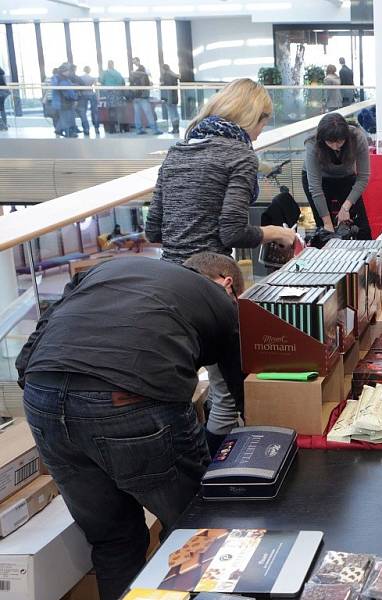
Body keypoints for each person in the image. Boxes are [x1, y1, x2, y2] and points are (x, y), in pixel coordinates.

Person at [16, 253, 245, 600]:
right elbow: (237, 387)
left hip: (42, 395)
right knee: (197, 527)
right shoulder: (222, 303)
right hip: (130, 399)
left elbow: (31, 348)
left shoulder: (108, 269)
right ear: (227, 282)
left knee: (114, 540)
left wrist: (57, 396)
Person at [146, 79, 294, 444]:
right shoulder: (240, 155)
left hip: (167, 285)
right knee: (228, 389)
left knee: (181, 386)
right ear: (250, 117)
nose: (260, 135)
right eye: (262, 124)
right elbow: (230, 232)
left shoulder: (178, 151)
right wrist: (275, 233)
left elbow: (153, 230)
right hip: (207, 286)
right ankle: (219, 470)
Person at [302, 112, 372, 238]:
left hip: (345, 177)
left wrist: (345, 207)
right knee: (324, 230)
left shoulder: (357, 138)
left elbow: (363, 178)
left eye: (339, 142)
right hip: (319, 180)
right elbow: (315, 188)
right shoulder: (312, 142)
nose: (335, 147)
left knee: (362, 227)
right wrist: (327, 223)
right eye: (330, 142)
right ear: (322, 139)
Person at [130, 64, 161, 134]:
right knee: (149, 113)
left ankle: (139, 129)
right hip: (143, 97)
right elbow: (147, 86)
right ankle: (154, 129)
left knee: (137, 114)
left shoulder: (133, 76)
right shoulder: (144, 76)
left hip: (135, 98)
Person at [99, 60, 126, 133]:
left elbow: (101, 81)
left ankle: (112, 129)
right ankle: (121, 128)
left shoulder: (105, 73)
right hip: (118, 93)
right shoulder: (118, 73)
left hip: (110, 93)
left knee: (111, 111)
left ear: (108, 65)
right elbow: (122, 82)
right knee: (119, 111)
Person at [52, 63, 78, 138]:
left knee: (64, 117)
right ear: (64, 71)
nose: (69, 72)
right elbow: (68, 91)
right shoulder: (63, 80)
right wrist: (74, 98)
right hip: (64, 101)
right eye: (67, 71)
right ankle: (68, 133)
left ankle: (59, 130)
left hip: (60, 101)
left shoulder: (57, 78)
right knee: (66, 117)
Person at [77, 66, 99, 136]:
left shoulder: (80, 78)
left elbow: (78, 87)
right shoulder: (93, 78)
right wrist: (98, 97)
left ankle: (86, 129)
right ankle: (96, 128)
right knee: (94, 112)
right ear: (90, 70)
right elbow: (96, 88)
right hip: (91, 94)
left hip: (83, 94)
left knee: (83, 112)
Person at [160, 63, 180, 134]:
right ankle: (177, 128)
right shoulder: (173, 75)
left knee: (172, 114)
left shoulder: (167, 76)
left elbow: (169, 89)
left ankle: (175, 129)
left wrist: (169, 100)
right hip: (174, 97)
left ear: (163, 69)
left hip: (169, 98)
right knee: (175, 113)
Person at [0, 66, 9, 131]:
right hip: (4, 92)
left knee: (2, 109)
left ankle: (4, 125)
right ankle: (4, 125)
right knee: (2, 109)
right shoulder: (2, 73)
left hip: (1, 93)